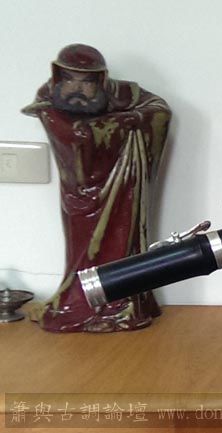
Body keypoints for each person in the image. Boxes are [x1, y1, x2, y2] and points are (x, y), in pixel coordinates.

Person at [23, 44, 171, 332]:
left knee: (121, 243)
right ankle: (79, 302)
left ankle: (120, 305)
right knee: (80, 252)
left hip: (122, 188)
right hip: (76, 191)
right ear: (57, 77)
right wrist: (102, 128)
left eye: (87, 81)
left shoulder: (125, 94)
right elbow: (71, 133)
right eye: (70, 79)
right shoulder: (49, 100)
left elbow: (159, 110)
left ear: (102, 80)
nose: (77, 88)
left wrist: (132, 119)